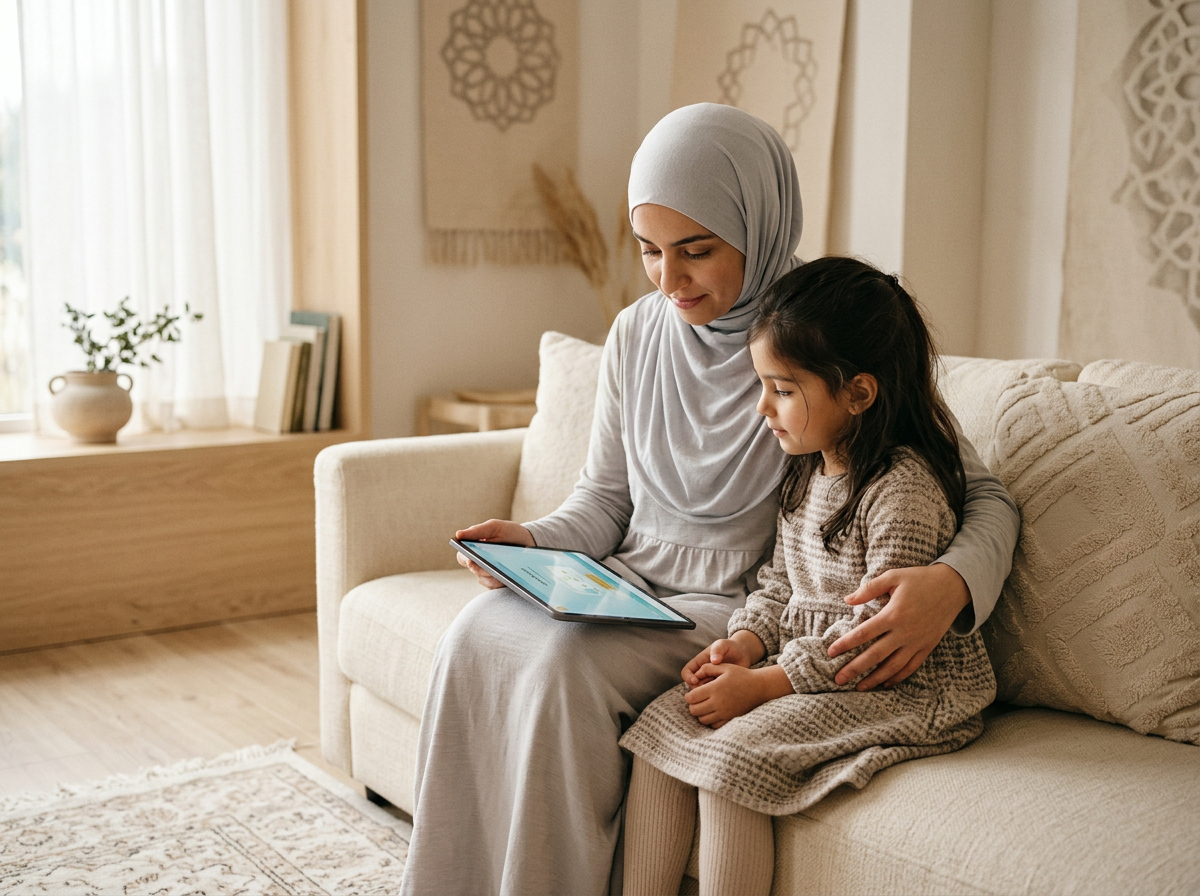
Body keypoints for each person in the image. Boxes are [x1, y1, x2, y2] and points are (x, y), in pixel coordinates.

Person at [398, 104, 1019, 896]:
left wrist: (953, 583)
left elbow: (981, 490)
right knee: (476, 631)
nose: (669, 279)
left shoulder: (816, 336)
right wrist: (534, 541)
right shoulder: (634, 333)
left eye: (696, 251)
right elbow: (605, 499)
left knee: (561, 664)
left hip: (743, 604)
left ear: (758, 228)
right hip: (633, 580)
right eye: (650, 251)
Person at [618, 256, 999, 896]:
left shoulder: (900, 490)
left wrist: (766, 684)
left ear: (858, 393)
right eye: (762, 384)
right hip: (819, 665)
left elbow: (872, 639)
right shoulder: (806, 469)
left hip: (895, 683)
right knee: (663, 725)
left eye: (784, 390)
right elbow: (779, 584)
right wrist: (744, 641)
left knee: (734, 759)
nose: (763, 407)